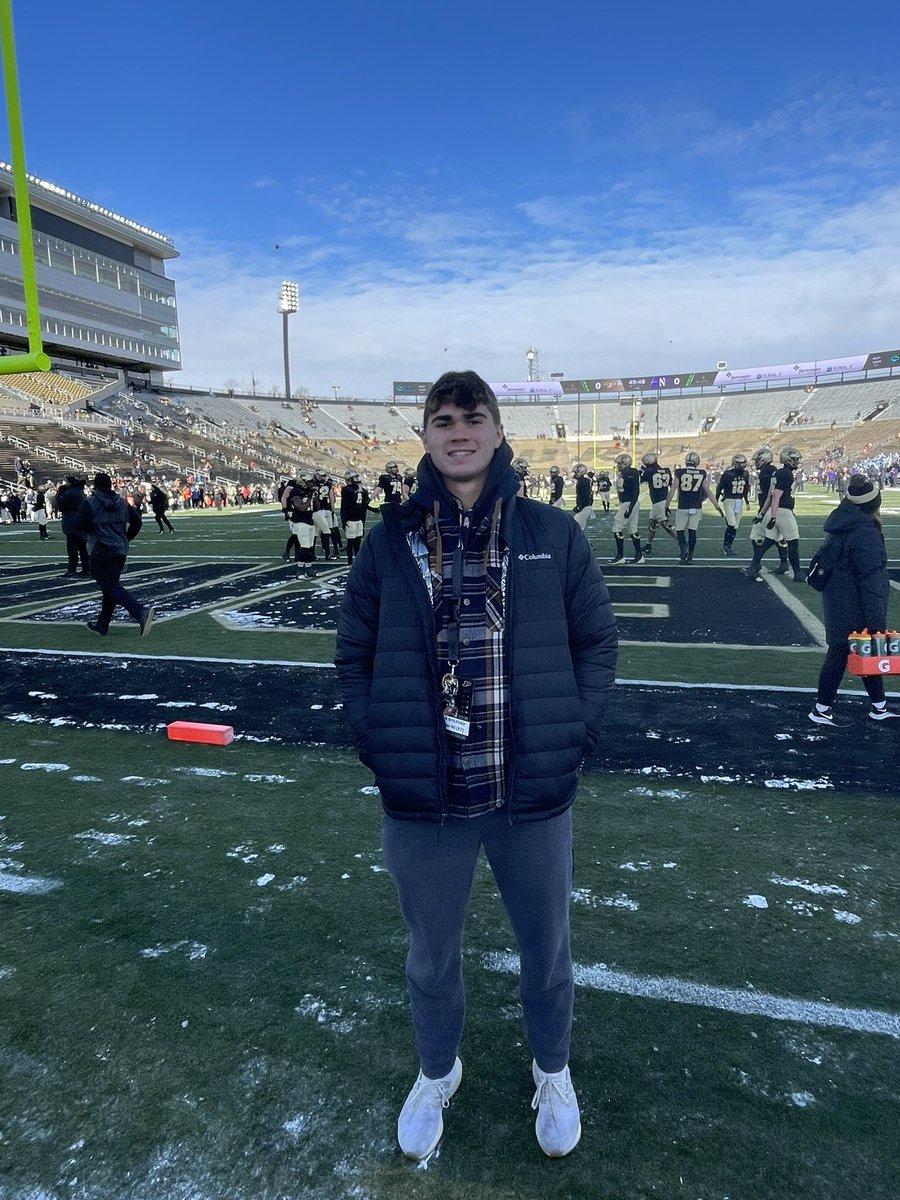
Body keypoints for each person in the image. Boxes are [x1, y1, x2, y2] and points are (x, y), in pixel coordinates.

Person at [335, 370, 617, 1161]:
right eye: (443, 419)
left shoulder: (551, 533)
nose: (459, 431)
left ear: (497, 431)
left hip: (529, 793)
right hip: (427, 800)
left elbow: (597, 643)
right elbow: (353, 650)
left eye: (474, 417)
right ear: (425, 435)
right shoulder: (390, 540)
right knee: (430, 956)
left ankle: (552, 1070)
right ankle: (436, 1071)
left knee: (548, 950)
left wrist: (574, 733)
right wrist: (376, 741)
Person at [809, 476, 898, 726]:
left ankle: (878, 705)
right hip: (854, 602)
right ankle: (821, 709)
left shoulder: (842, 523)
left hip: (839, 599)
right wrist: (876, 619)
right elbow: (871, 581)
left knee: (861, 651)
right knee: (841, 653)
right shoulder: (865, 533)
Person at [74, 472, 154, 637]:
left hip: (100, 550)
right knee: (110, 587)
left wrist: (89, 538)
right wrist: (126, 538)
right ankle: (103, 624)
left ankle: (139, 611)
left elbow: (78, 526)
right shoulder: (122, 502)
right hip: (119, 550)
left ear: (95, 486)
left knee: (110, 587)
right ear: (110, 485)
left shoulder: (90, 503)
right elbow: (137, 522)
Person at [745, 447, 802, 582]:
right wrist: (772, 515)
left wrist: (764, 513)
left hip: (773, 510)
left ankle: (754, 567)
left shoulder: (776, 473)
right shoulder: (784, 473)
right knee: (793, 543)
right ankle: (798, 573)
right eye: (796, 459)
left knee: (768, 542)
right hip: (782, 511)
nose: (797, 461)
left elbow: (771, 496)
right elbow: (775, 496)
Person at [665, 451, 723, 564]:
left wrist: (666, 505)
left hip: (683, 505)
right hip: (696, 506)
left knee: (680, 531)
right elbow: (708, 491)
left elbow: (673, 489)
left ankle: (683, 551)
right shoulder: (701, 473)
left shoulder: (680, 472)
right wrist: (717, 506)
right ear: (697, 462)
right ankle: (690, 556)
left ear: (686, 461)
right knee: (692, 531)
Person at [638, 451, 676, 556]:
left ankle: (682, 543)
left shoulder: (649, 471)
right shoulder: (667, 470)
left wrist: (642, 471)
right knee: (652, 523)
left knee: (666, 525)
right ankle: (648, 545)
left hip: (658, 501)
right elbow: (669, 483)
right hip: (663, 499)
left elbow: (640, 480)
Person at [716, 453, 751, 557]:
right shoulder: (728, 474)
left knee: (735, 526)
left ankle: (728, 546)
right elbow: (719, 487)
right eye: (741, 463)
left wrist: (747, 501)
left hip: (739, 501)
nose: (743, 465)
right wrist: (716, 501)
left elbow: (745, 489)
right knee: (731, 524)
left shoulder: (745, 474)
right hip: (729, 500)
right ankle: (725, 546)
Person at [609, 452, 642, 564]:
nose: (617, 465)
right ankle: (639, 556)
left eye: (619, 463)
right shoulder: (624, 473)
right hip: (628, 503)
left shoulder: (631, 473)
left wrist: (630, 507)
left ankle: (620, 556)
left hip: (629, 503)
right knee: (633, 530)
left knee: (617, 528)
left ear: (625, 463)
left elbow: (635, 491)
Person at [55, 475, 90, 576]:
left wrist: (60, 491)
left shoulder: (70, 492)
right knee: (83, 548)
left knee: (72, 548)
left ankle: (72, 569)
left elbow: (59, 502)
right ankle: (86, 568)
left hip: (72, 522)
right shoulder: (79, 491)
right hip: (81, 521)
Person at [571, 463, 593, 530]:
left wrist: (580, 506)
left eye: (576, 472)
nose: (574, 474)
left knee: (575, 526)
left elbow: (584, 495)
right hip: (585, 506)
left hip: (584, 507)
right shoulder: (582, 481)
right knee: (580, 529)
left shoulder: (583, 481)